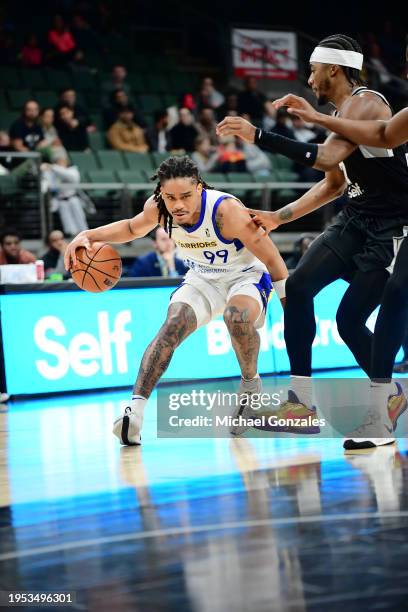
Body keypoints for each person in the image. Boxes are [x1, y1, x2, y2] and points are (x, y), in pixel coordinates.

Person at [217, 33, 408, 449]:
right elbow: (334, 181)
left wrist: (260, 136)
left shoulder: (368, 101)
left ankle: (388, 397)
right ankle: (301, 404)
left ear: (333, 69)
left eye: (313, 70)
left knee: (349, 320)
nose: (309, 79)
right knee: (300, 287)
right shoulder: (346, 111)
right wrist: (279, 217)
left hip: (391, 227)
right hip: (357, 219)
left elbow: (323, 158)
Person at [64, 156, 288, 445]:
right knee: (172, 325)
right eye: (170, 197)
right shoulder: (159, 207)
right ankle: (135, 414)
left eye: (184, 196)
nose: (177, 204)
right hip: (203, 277)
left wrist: (289, 307)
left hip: (244, 275)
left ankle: (250, 386)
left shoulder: (226, 210)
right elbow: (133, 228)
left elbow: (272, 258)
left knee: (236, 317)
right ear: (161, 194)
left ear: (199, 189)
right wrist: (87, 235)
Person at [41, 157, 88, 236]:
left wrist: (52, 167)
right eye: (57, 162)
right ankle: (72, 237)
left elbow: (69, 176)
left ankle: (85, 236)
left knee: (81, 221)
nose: (59, 164)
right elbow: (50, 185)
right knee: (68, 224)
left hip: (73, 198)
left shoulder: (72, 170)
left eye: (61, 162)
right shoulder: (54, 173)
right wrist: (45, 170)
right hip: (61, 200)